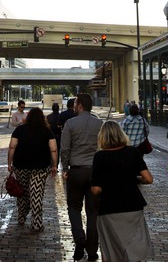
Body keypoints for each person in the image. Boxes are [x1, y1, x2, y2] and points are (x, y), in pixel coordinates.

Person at [90, 120, 153, 262]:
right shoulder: (132, 152)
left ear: (102, 137)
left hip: (109, 208)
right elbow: (148, 179)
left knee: (110, 250)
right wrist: (136, 179)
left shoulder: (99, 157)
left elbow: (95, 189)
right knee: (133, 249)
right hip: (132, 206)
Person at [60, 93, 103, 261]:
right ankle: (92, 250)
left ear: (79, 106)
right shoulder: (99, 124)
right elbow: (103, 147)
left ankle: (79, 238)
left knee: (74, 207)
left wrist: (65, 167)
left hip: (76, 170)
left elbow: (65, 149)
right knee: (93, 211)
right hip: (94, 171)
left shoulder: (70, 123)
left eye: (76, 103)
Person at [7, 106, 57, 232]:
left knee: (22, 192)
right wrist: (55, 165)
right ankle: (37, 223)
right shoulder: (47, 131)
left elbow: (12, 146)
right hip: (40, 167)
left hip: (21, 166)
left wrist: (9, 163)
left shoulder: (19, 130)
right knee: (36, 193)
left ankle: (22, 216)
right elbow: (53, 149)